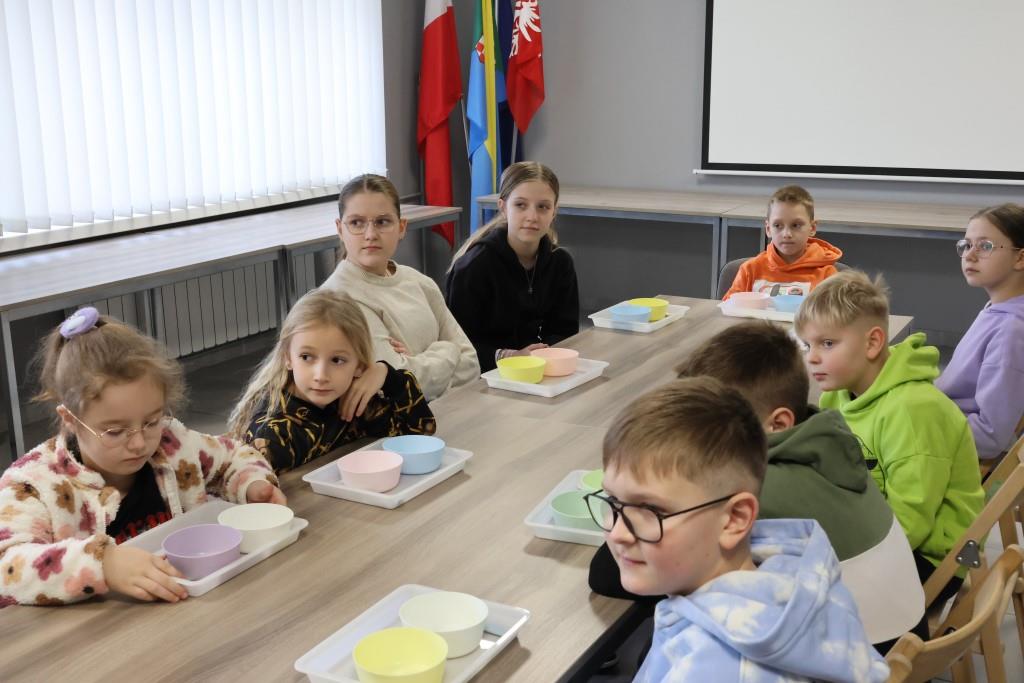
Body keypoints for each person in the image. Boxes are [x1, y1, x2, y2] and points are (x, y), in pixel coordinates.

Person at [590, 378, 888, 682]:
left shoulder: (713, 670)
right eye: (612, 501)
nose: (618, 533)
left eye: (650, 510)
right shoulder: (789, 570)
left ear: (735, 519)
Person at [0, 308, 284, 607]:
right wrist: (103, 563)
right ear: (70, 419)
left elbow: (235, 456)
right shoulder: (31, 485)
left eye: (151, 421)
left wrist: (252, 483)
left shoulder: (173, 444)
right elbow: (7, 565)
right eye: (115, 431)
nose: (139, 443)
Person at [796, 270, 984, 601]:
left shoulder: (913, 412)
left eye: (827, 343)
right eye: (807, 344)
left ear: (872, 343)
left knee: (811, 600)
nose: (812, 357)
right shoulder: (836, 396)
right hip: (875, 527)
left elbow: (912, 522)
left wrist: (842, 554)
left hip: (931, 557)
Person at [229, 289, 436, 472]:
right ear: (288, 358)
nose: (321, 375)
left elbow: (419, 434)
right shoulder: (272, 433)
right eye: (307, 357)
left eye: (337, 360)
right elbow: (253, 489)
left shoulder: (353, 402)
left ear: (359, 365)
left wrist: (388, 376)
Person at [319, 174, 479, 400]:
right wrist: (448, 349)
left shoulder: (420, 282)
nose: (370, 235)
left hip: (447, 409)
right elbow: (398, 387)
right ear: (340, 229)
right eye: (356, 223)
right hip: (393, 421)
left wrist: (418, 365)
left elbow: (471, 365)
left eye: (382, 222)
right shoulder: (340, 299)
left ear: (401, 227)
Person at [445, 161, 579, 371]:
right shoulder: (474, 267)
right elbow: (457, 347)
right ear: (503, 207)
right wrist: (509, 357)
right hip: (484, 375)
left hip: (540, 369)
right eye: (520, 205)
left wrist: (545, 356)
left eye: (543, 207)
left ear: (554, 212)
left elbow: (565, 333)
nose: (532, 217)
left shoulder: (560, 262)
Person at [936, 203, 1024, 460]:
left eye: (985, 246)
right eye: (966, 245)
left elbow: (989, 436)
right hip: (943, 416)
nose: (970, 255)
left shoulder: (1011, 331)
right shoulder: (998, 309)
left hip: (954, 449)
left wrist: (920, 421)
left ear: (1020, 258)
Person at [723, 185, 842, 300]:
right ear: (768, 229)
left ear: (812, 228)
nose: (787, 234)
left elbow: (834, 313)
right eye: (778, 225)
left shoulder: (827, 276)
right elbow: (729, 307)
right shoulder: (750, 270)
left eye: (796, 225)